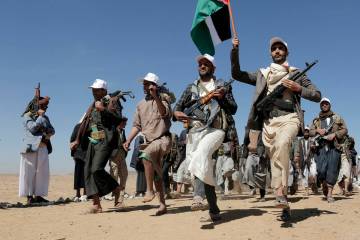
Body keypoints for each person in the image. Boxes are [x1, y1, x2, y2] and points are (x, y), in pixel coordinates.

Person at [231, 36, 321, 212]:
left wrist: (298, 88)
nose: (277, 51)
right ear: (271, 53)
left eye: (280, 48)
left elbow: (317, 95)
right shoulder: (263, 75)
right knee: (275, 158)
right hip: (268, 123)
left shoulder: (296, 73)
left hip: (290, 118)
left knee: (282, 144)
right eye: (274, 49)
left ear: (286, 52)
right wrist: (235, 50)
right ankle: (283, 200)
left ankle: (279, 190)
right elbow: (237, 74)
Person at [173, 54, 238, 222]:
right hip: (194, 132)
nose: (202, 66)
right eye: (200, 64)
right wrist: (178, 114)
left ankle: (198, 196)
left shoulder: (222, 85)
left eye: (206, 64)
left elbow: (234, 108)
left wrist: (221, 98)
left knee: (201, 154)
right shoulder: (191, 88)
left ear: (213, 68)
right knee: (204, 169)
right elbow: (177, 108)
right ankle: (214, 209)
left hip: (216, 130)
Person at [70, 79, 123, 213]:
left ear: (104, 90)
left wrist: (103, 110)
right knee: (88, 170)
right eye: (93, 90)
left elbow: (118, 120)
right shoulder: (92, 104)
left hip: (106, 140)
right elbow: (85, 122)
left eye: (97, 90)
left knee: (96, 169)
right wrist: (77, 139)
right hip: (93, 140)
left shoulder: (113, 100)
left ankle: (116, 189)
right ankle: (96, 204)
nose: (94, 92)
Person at [123, 72, 172, 216]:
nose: (144, 86)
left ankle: (149, 190)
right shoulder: (140, 104)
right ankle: (162, 204)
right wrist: (128, 140)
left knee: (146, 155)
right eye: (144, 84)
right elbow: (137, 125)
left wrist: (156, 96)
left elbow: (164, 114)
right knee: (156, 172)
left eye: (147, 83)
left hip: (163, 139)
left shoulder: (164, 99)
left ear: (154, 85)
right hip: (148, 141)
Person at [309, 97, 348, 202]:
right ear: (320, 106)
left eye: (326, 104)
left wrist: (335, 134)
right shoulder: (316, 120)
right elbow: (310, 132)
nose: (324, 105)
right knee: (320, 170)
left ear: (329, 105)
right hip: (320, 147)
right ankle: (324, 184)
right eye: (322, 104)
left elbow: (345, 130)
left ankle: (330, 194)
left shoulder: (337, 118)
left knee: (332, 169)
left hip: (334, 147)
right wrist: (318, 130)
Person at [19, 94, 55, 204]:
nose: (45, 108)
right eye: (43, 106)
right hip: (30, 148)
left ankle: (39, 196)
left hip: (43, 146)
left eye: (46, 106)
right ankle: (29, 197)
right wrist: (40, 117)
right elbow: (33, 128)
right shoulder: (27, 116)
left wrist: (46, 128)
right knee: (28, 172)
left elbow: (52, 131)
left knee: (42, 172)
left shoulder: (46, 117)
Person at [107, 117, 128, 207]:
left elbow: (124, 142)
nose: (125, 124)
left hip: (122, 157)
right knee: (114, 179)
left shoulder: (123, 131)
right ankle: (116, 200)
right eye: (124, 123)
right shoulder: (112, 130)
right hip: (113, 157)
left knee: (124, 176)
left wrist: (125, 146)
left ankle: (120, 200)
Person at [297, 126, 317, 195]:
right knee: (305, 175)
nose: (306, 133)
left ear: (309, 132)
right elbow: (298, 151)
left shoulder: (312, 140)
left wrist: (313, 147)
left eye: (307, 131)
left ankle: (314, 184)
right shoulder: (300, 141)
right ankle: (306, 190)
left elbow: (316, 149)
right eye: (305, 131)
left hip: (311, 159)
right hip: (303, 160)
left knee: (313, 173)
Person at [70, 123, 88, 202]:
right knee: (85, 173)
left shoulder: (77, 126)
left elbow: (72, 139)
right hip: (86, 153)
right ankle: (84, 194)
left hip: (78, 153)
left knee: (78, 173)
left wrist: (73, 154)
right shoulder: (93, 126)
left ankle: (78, 194)